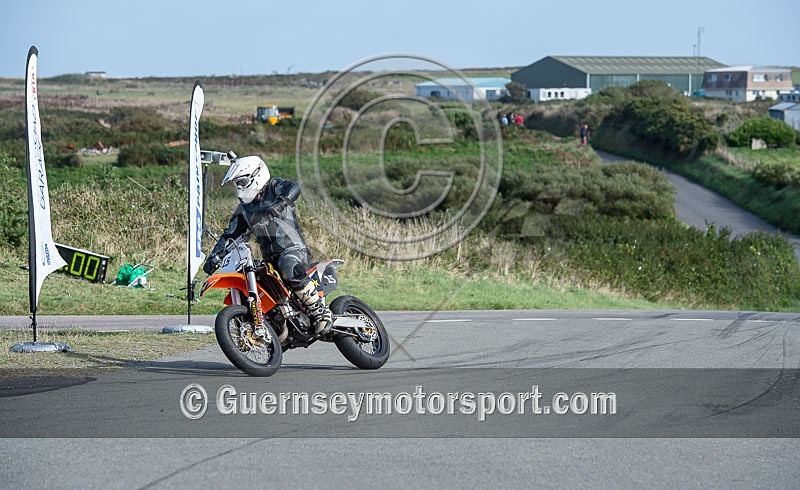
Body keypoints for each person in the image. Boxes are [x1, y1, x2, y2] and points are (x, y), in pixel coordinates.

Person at [202, 153, 332, 335]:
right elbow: (229, 235)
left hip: (293, 250)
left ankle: (321, 313)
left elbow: (294, 186)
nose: (239, 188)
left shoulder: (274, 187)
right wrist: (214, 257)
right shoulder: (244, 210)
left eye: (241, 183)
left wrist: (280, 203)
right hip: (270, 258)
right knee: (259, 278)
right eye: (237, 184)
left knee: (287, 265)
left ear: (255, 176)